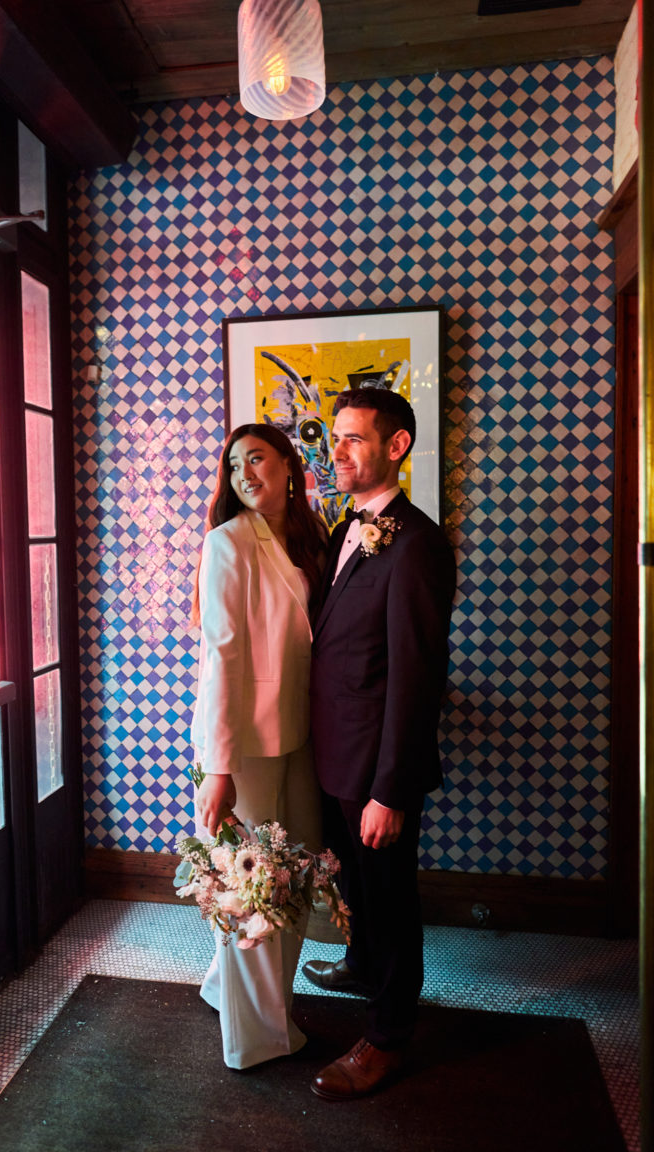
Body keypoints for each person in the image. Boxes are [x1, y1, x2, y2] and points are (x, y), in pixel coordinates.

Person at [303, 387, 456, 1101]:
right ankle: (361, 963)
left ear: (396, 446)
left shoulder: (417, 544)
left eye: (353, 438)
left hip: (377, 768)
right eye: (334, 436)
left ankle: (388, 1037)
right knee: (356, 887)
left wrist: (389, 791)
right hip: (335, 752)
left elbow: (417, 678)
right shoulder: (346, 528)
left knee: (391, 900)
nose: (336, 451)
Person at [190, 421, 328, 1070]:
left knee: (295, 873)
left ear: (288, 467)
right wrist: (218, 768)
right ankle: (255, 1039)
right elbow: (221, 657)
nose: (244, 473)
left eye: (258, 459)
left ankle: (229, 988)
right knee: (252, 887)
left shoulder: (310, 535)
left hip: (301, 732)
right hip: (244, 741)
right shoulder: (228, 542)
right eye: (234, 464)